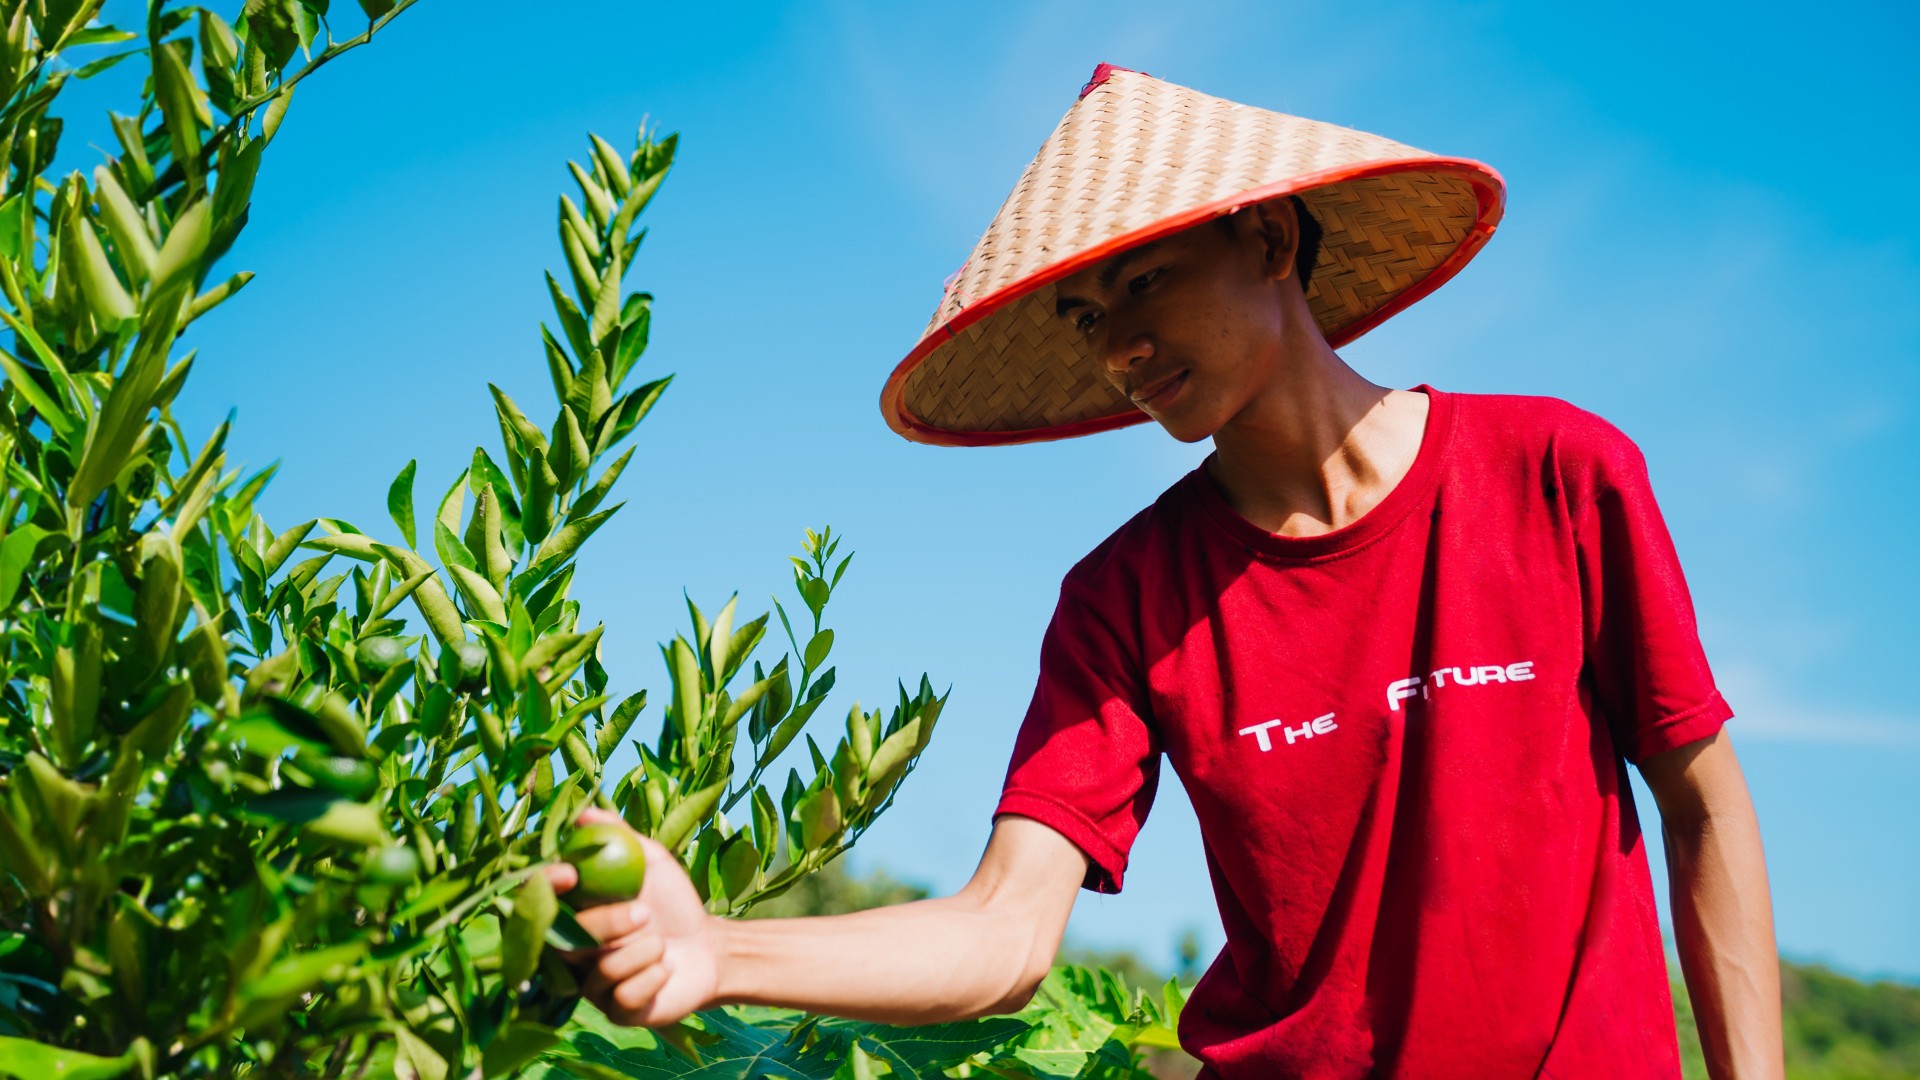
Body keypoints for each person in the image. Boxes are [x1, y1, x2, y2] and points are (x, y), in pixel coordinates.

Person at [543, 65, 1784, 1078]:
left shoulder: (1557, 473)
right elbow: (1003, 931)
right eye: (1087, 315)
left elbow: (1705, 805)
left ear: (1270, 237)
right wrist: (714, 950)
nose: (1120, 346)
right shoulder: (1125, 600)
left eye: (1143, 282)